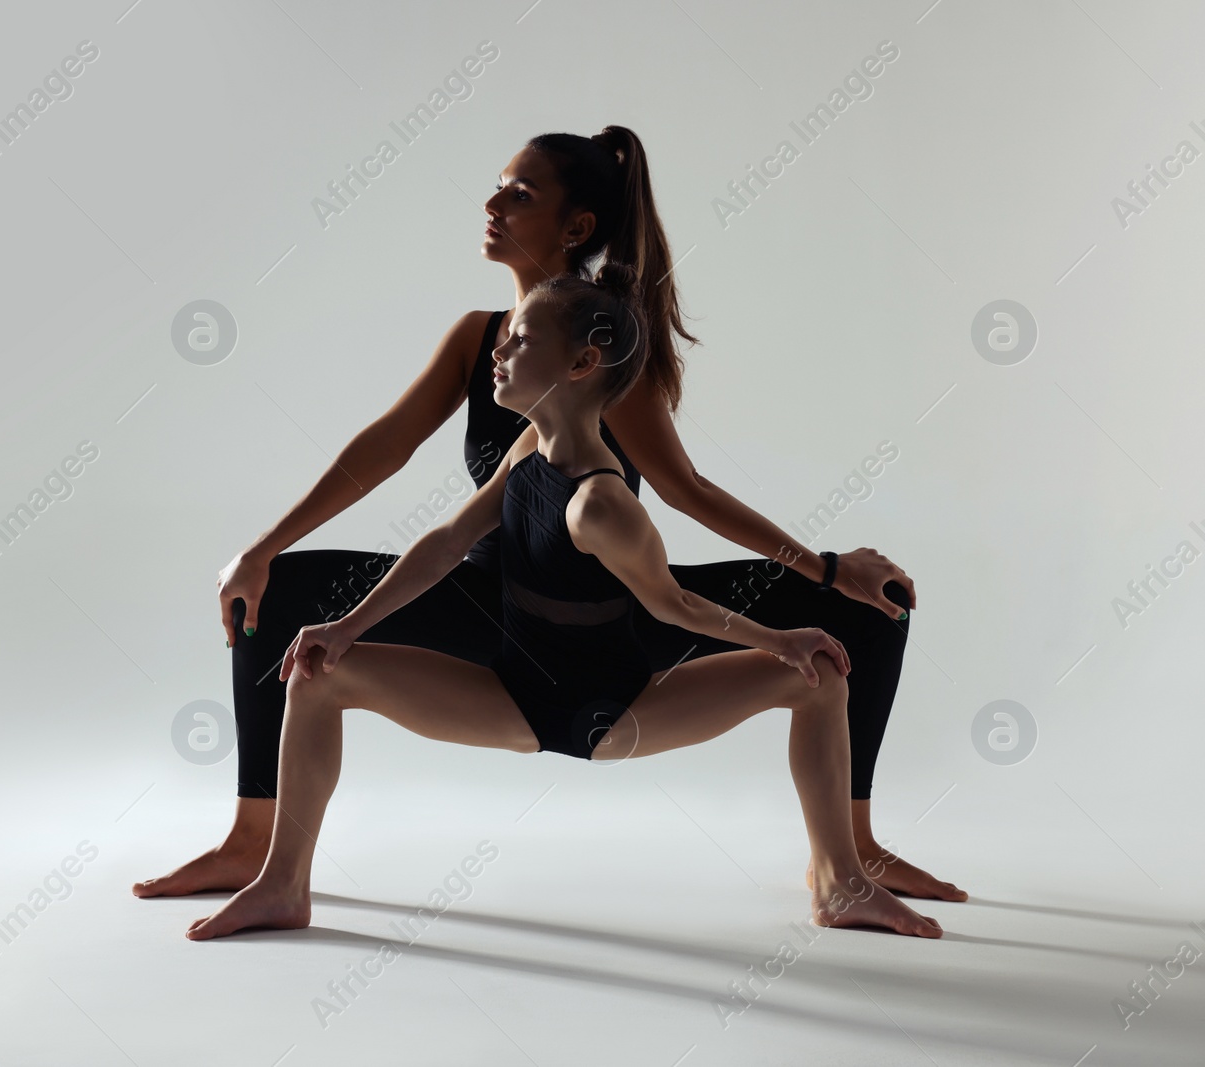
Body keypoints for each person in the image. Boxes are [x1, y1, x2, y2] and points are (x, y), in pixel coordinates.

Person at [135, 125, 964, 904]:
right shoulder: (482, 338)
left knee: (871, 606)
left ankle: (850, 851)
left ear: (578, 227)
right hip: (488, 606)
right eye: (496, 188)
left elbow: (686, 491)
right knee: (272, 593)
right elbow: (382, 449)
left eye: (520, 194)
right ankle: (255, 838)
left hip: (609, 610)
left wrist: (823, 569)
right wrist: (263, 546)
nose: (493, 205)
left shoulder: (597, 350)